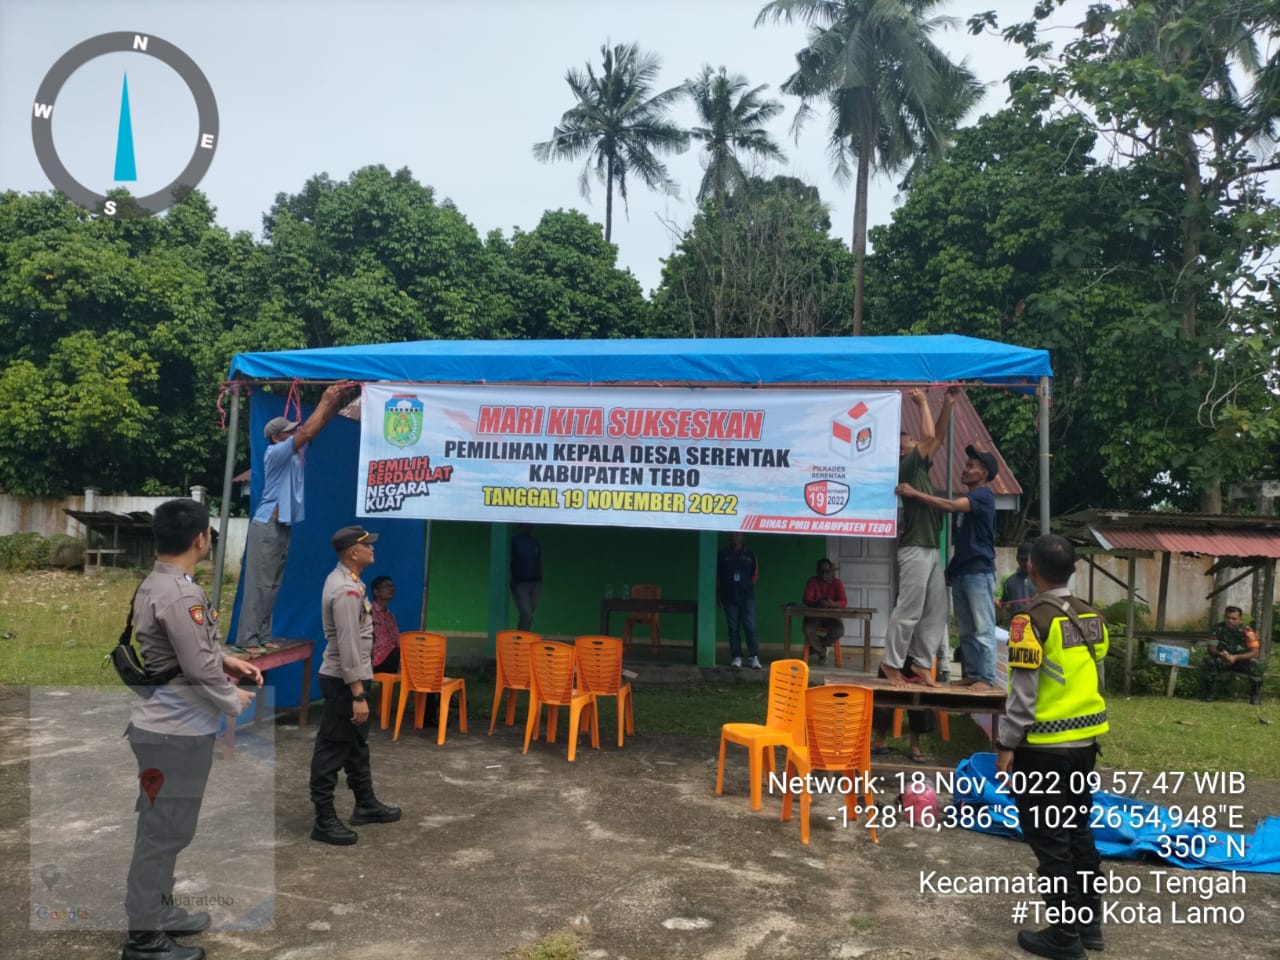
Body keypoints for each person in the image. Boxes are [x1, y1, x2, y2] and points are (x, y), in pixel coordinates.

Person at [122, 498, 263, 960]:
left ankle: (158, 912)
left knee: (167, 828)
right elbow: (198, 668)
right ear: (201, 538)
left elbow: (189, 650)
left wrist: (226, 659)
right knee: (162, 832)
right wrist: (231, 698)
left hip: (165, 727)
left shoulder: (159, 583)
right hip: (173, 733)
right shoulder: (182, 594)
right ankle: (144, 937)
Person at [997, 534, 1109, 960]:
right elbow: (1095, 676)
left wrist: (1007, 744)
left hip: (1043, 748)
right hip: (1085, 745)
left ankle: (1064, 934)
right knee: (1079, 833)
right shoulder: (1092, 617)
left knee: (1050, 840)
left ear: (1031, 569)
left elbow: (1023, 694)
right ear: (1075, 569)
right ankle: (1089, 923)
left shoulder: (1029, 621)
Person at [237, 382, 356, 649]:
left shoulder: (292, 452)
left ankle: (263, 635)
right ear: (279, 436)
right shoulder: (276, 452)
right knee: (259, 584)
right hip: (266, 525)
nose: (297, 431)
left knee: (273, 585)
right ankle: (247, 638)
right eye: (291, 430)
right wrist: (326, 398)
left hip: (282, 525)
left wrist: (337, 401)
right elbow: (310, 429)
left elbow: (317, 427)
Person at [310, 525, 402, 845]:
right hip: (343, 680)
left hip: (352, 678)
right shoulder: (346, 591)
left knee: (356, 744)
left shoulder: (353, 583)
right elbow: (349, 646)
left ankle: (365, 804)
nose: (372, 549)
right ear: (352, 552)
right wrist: (358, 693)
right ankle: (324, 818)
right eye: (367, 546)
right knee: (332, 748)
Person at [897, 444, 1000, 689]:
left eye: (971, 467)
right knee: (965, 628)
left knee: (982, 627)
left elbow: (951, 506)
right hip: (963, 571)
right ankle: (973, 674)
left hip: (978, 571)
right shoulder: (972, 500)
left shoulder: (983, 496)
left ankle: (986, 677)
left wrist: (915, 493)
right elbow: (965, 543)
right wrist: (951, 569)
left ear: (983, 474)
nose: (965, 470)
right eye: (966, 465)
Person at [881, 387, 956, 686]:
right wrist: (924, 402)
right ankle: (891, 662)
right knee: (909, 609)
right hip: (914, 547)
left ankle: (923, 663)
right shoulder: (906, 467)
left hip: (929, 547)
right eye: (908, 440)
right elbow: (929, 437)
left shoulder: (920, 465)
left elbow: (936, 437)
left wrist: (947, 405)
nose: (914, 441)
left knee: (937, 608)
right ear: (902, 450)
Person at [1201, 606, 1264, 704]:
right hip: (1223, 659)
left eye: (1234, 618)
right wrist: (1221, 654)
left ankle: (1255, 696)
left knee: (1256, 664)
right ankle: (1210, 693)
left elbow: (1255, 652)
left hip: (1241, 661)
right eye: (1228, 618)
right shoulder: (1217, 629)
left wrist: (1236, 657)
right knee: (1208, 660)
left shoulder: (1248, 631)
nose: (1230, 621)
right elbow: (1211, 648)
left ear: (1240, 620)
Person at [717, 532, 760, 669]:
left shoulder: (750, 554)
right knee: (733, 628)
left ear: (743, 537)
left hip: (747, 597)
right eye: (733, 534)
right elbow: (718, 575)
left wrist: (746, 585)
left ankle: (753, 657)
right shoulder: (723, 554)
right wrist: (719, 594)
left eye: (738, 535)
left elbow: (755, 574)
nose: (736, 537)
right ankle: (736, 656)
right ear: (729, 536)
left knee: (750, 627)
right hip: (729, 596)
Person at [801, 558, 846, 665]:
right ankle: (822, 651)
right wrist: (818, 602)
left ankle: (815, 648)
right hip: (814, 616)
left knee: (839, 630)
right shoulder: (812, 581)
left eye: (828, 571)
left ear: (831, 571)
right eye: (822, 571)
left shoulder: (837, 583)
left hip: (831, 616)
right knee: (807, 629)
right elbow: (806, 599)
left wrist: (833, 604)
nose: (825, 574)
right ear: (817, 572)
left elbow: (843, 601)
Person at [509, 525, 542, 632]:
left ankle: (523, 637)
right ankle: (521, 639)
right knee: (526, 613)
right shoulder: (514, 541)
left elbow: (538, 561)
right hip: (520, 583)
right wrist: (512, 582)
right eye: (526, 526)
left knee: (529, 614)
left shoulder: (534, 542)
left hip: (535, 582)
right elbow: (510, 561)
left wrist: (540, 579)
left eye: (530, 527)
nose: (529, 529)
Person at [370, 576, 401, 674]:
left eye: (392, 586)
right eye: (386, 586)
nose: (391, 589)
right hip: (375, 660)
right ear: (376, 592)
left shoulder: (390, 616)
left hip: (393, 656)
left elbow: (398, 640)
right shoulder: (369, 613)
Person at [1000, 543, 1037, 626]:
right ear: (1017, 559)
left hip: (1037, 627)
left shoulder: (1042, 580)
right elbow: (1002, 605)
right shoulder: (1009, 581)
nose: (1026, 563)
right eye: (1023, 559)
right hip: (1017, 628)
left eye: (1028, 559)